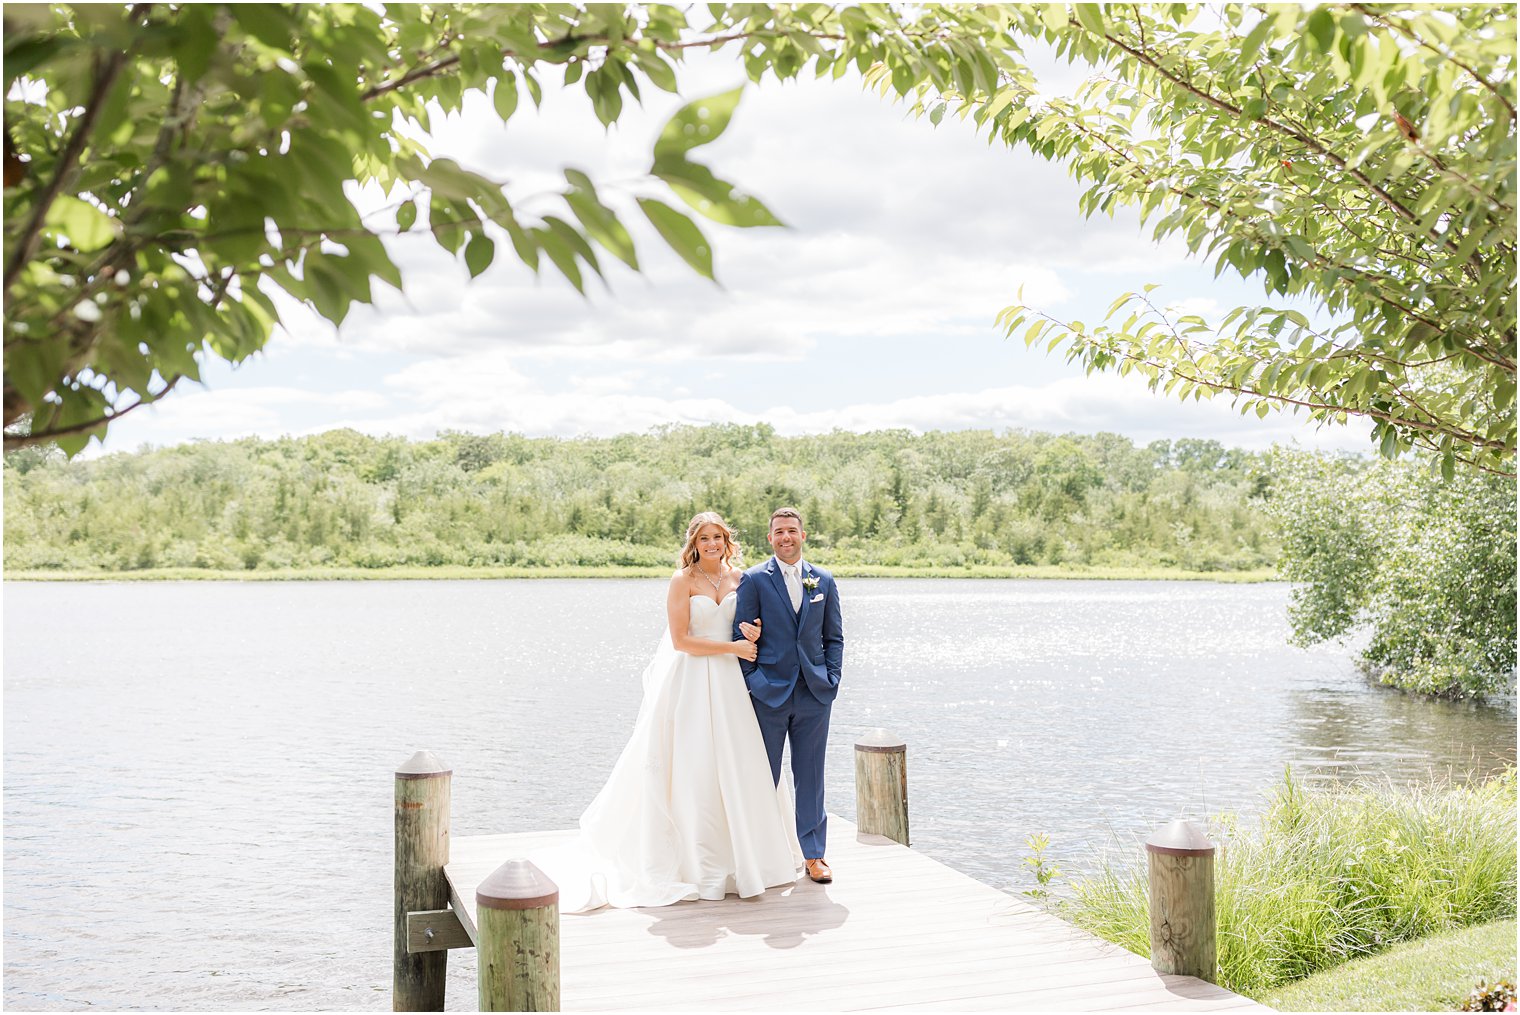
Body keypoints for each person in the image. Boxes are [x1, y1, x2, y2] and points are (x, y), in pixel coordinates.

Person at [546, 512, 802, 911]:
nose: (712, 544)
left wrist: (751, 634)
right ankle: (699, 863)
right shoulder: (682, 581)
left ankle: (751, 860)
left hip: (734, 686)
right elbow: (682, 640)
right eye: (704, 538)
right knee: (695, 765)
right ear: (694, 544)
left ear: (727, 540)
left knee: (741, 762)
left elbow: (753, 627)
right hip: (694, 680)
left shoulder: (741, 579)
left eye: (718, 537)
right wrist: (731, 648)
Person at [733, 507, 844, 885]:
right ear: (770, 538)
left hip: (815, 695)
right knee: (763, 776)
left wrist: (831, 679)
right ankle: (762, 857)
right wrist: (754, 682)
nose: (786, 537)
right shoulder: (753, 580)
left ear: (803, 535)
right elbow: (740, 637)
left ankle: (815, 856)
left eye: (792, 531)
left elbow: (834, 638)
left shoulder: (823, 581)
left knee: (811, 776)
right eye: (779, 531)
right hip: (769, 694)